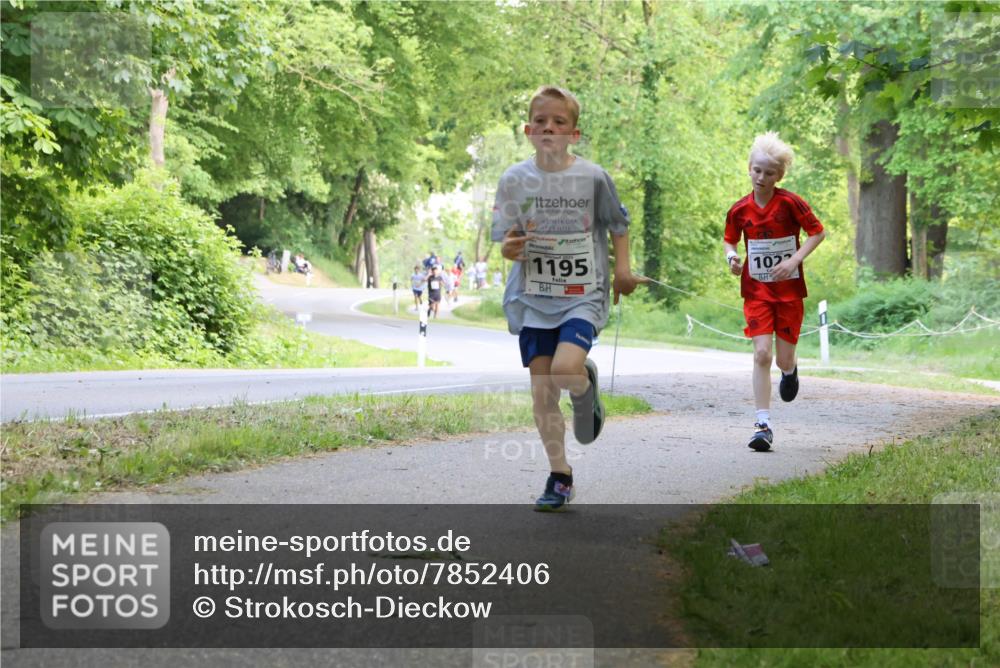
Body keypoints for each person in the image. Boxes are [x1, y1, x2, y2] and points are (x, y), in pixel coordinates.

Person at [493, 85, 647, 512]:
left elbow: (618, 225)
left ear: (574, 134)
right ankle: (560, 475)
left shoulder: (593, 178)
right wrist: (509, 248)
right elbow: (506, 237)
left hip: (584, 293)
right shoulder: (514, 179)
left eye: (559, 122)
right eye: (541, 121)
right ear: (527, 129)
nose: (549, 128)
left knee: (564, 371)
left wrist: (621, 271)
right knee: (542, 395)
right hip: (533, 296)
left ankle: (584, 388)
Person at [723, 131, 826, 452]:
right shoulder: (739, 210)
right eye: (757, 170)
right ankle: (762, 424)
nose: (761, 177)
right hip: (756, 291)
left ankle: (791, 370)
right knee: (761, 354)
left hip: (789, 292)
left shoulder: (790, 203)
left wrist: (794, 258)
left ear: (779, 175)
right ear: (749, 168)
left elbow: (817, 232)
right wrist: (732, 258)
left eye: (769, 173)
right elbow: (729, 240)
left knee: (782, 359)